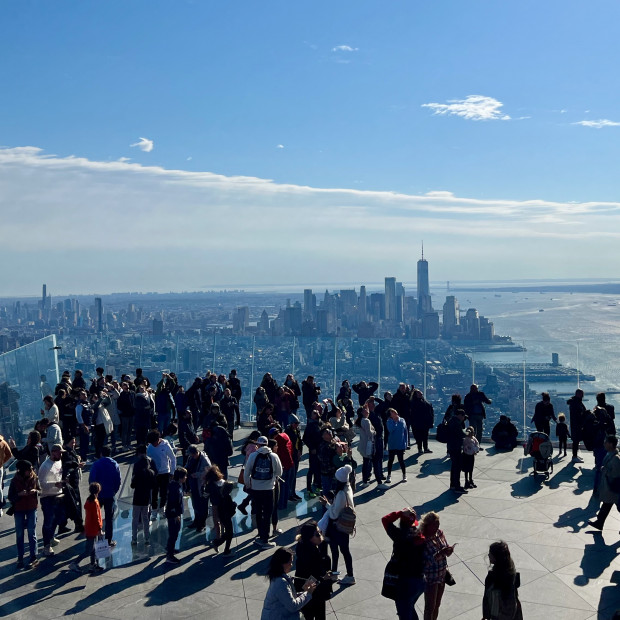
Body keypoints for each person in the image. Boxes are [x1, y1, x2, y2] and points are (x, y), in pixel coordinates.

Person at [382, 507, 425, 620]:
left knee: (404, 612)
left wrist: (400, 513)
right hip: (420, 581)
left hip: (404, 582)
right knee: (409, 608)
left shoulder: (398, 534)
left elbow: (385, 520)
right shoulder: (420, 535)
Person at [318, 465, 356, 585]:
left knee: (335, 551)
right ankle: (349, 574)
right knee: (345, 551)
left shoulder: (340, 494)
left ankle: (336, 574)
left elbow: (334, 514)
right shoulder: (348, 488)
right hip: (345, 526)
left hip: (337, 527)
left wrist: (327, 504)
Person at [246, 435, 283, 549]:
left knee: (258, 512)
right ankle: (265, 540)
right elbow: (279, 472)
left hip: (256, 489)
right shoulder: (274, 456)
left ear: (258, 445)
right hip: (268, 489)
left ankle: (261, 535)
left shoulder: (253, 456)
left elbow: (247, 472)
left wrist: (249, 485)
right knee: (267, 514)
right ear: (267, 444)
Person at [261, 546, 317, 620]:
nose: (291, 565)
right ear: (282, 564)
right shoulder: (281, 582)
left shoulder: (278, 577)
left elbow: (287, 597)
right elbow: (293, 606)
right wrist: (308, 594)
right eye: (290, 562)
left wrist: (304, 593)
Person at [294, 521, 333, 620]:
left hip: (313, 590)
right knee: (313, 616)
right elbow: (311, 573)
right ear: (309, 537)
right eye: (317, 534)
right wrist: (324, 577)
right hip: (311, 591)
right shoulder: (308, 554)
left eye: (319, 532)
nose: (320, 535)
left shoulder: (314, 547)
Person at [8, 460, 40, 569]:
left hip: (31, 507)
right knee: (20, 533)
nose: (31, 471)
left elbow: (40, 490)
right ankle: (20, 557)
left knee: (32, 532)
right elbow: (10, 497)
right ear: (22, 471)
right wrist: (19, 494)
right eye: (29, 469)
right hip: (19, 509)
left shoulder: (34, 478)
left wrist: (35, 490)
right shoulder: (14, 481)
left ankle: (33, 556)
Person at [421, 512, 454, 620]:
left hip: (442, 574)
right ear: (427, 525)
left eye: (438, 524)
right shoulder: (423, 539)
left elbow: (445, 547)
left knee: (437, 604)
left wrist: (448, 550)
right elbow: (424, 562)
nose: (437, 527)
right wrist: (439, 554)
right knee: (429, 607)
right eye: (434, 525)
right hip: (431, 577)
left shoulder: (439, 533)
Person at [88, 446, 121, 546]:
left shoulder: (96, 464)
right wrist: (114, 491)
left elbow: (92, 479)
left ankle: (93, 538)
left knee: (94, 516)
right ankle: (108, 540)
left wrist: (94, 492)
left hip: (98, 494)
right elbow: (118, 480)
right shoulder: (114, 464)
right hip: (109, 494)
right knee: (109, 518)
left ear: (101, 453)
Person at [69, 482, 104, 574]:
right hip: (94, 529)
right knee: (88, 550)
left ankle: (93, 564)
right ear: (98, 491)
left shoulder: (89, 501)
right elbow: (97, 517)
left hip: (89, 528)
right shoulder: (95, 502)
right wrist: (100, 528)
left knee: (93, 548)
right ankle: (74, 563)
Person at [482, 541, 523, 620]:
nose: (488, 555)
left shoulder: (494, 578)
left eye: (491, 553)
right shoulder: (510, 574)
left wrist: (487, 616)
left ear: (497, 557)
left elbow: (488, 598)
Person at [588, 435, 620, 531]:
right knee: (606, 504)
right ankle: (599, 523)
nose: (604, 444)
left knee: (613, 505)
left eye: (606, 442)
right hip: (610, 488)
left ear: (610, 444)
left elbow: (616, 474)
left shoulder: (616, 459)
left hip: (614, 488)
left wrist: (604, 470)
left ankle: (599, 522)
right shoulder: (610, 454)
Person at [39, 443, 66, 556]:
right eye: (59, 452)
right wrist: (55, 484)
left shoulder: (58, 461)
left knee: (57, 519)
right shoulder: (45, 466)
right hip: (47, 497)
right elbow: (42, 484)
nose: (61, 454)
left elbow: (59, 475)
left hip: (58, 495)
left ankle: (51, 537)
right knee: (48, 521)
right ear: (53, 452)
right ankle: (46, 546)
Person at [204, 464, 236, 556]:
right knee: (229, 531)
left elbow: (205, 496)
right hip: (226, 508)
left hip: (216, 507)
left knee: (218, 524)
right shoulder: (225, 483)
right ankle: (223, 548)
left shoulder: (210, 485)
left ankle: (218, 541)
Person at [147, 429, 177, 518]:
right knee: (154, 493)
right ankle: (154, 511)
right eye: (151, 443)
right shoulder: (149, 447)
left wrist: (172, 472)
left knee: (164, 493)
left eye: (154, 443)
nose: (153, 445)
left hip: (165, 473)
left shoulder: (166, 445)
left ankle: (162, 509)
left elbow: (173, 458)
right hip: (154, 474)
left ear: (158, 439)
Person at [130, 444, 156, 544]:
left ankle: (134, 538)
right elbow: (154, 485)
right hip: (146, 498)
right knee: (145, 518)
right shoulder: (151, 472)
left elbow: (132, 485)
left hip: (137, 497)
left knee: (135, 519)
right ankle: (147, 538)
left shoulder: (137, 471)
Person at [165, 467, 187, 564]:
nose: (186, 478)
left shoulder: (176, 485)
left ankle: (171, 548)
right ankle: (170, 555)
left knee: (175, 532)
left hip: (175, 513)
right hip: (174, 514)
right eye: (184, 476)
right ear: (180, 477)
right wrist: (175, 515)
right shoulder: (175, 487)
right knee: (173, 533)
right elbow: (173, 502)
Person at [302, 407, 322, 498]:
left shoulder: (320, 424)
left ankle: (318, 485)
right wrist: (312, 447)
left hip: (320, 450)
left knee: (319, 468)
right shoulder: (310, 426)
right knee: (312, 469)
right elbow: (305, 438)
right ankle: (309, 489)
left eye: (317, 412)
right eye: (314, 412)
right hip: (314, 450)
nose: (316, 413)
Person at [446, 409, 467, 493]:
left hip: (451, 446)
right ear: (460, 415)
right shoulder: (456, 423)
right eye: (463, 417)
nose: (463, 419)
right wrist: (467, 434)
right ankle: (457, 486)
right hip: (456, 447)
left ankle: (453, 485)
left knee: (454, 466)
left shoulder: (451, 421)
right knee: (457, 467)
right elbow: (460, 434)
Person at [386, 408, 408, 484]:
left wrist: (406, 443)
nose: (394, 412)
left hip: (400, 443)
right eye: (392, 412)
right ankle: (389, 475)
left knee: (401, 460)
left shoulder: (402, 420)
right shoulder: (389, 421)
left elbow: (405, 432)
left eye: (394, 411)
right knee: (391, 460)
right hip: (392, 443)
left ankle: (404, 475)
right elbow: (390, 430)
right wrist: (395, 422)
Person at [355, 406, 375, 486]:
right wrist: (375, 432)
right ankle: (365, 480)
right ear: (362, 412)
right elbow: (369, 433)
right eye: (366, 410)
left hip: (363, 444)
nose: (368, 411)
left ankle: (365, 479)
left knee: (365, 462)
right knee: (367, 463)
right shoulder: (366, 421)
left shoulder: (360, 421)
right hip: (368, 444)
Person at [410, 390, 434, 454]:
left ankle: (425, 448)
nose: (421, 395)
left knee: (425, 436)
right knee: (419, 436)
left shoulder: (424, 402)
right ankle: (420, 448)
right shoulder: (414, 403)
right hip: (418, 422)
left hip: (424, 422)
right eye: (419, 394)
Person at [567, 388, 587, 462]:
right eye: (582, 394)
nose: (583, 396)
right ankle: (574, 456)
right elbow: (578, 414)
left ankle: (575, 455)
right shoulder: (576, 403)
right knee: (576, 440)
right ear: (578, 394)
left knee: (576, 440)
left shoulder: (576, 402)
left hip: (576, 424)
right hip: (576, 424)